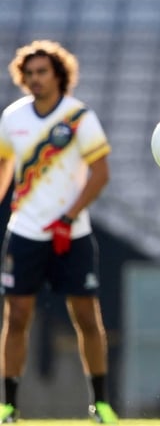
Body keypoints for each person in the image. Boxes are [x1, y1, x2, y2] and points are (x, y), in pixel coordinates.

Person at [0, 40, 117, 423]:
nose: (35, 79)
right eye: (29, 73)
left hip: (73, 235)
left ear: (58, 74)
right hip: (25, 232)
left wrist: (68, 217)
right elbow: (5, 167)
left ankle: (99, 404)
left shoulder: (79, 117)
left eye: (42, 72)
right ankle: (9, 406)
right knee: (16, 317)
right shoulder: (12, 116)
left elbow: (100, 174)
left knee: (86, 316)